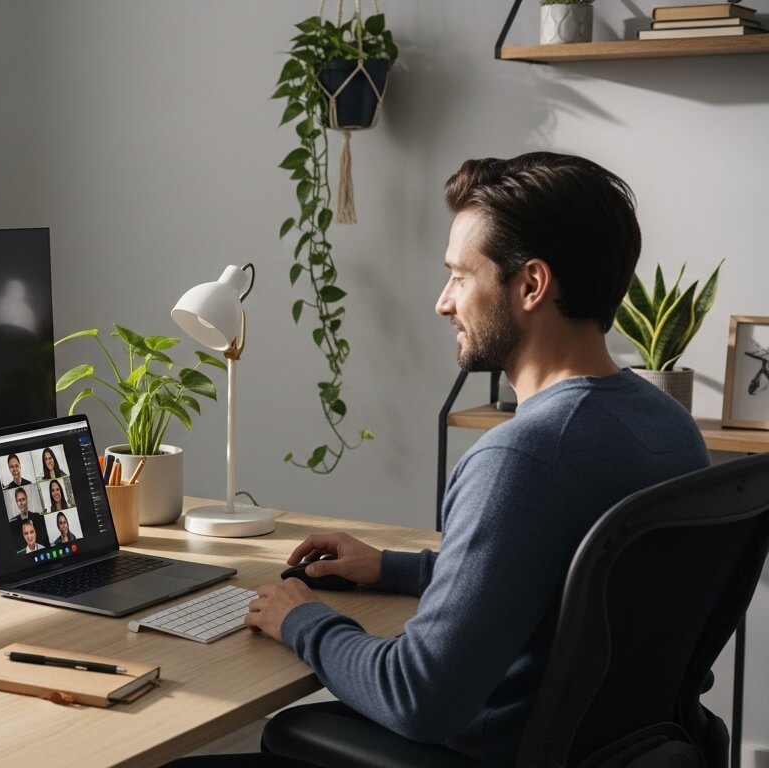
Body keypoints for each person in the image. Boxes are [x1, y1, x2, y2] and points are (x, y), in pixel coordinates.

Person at [185, 153, 710, 767]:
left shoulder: (524, 456)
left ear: (532, 285)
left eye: (460, 276)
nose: (443, 302)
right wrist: (395, 568)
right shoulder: (668, 425)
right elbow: (568, 590)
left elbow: (419, 696)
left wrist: (303, 620)